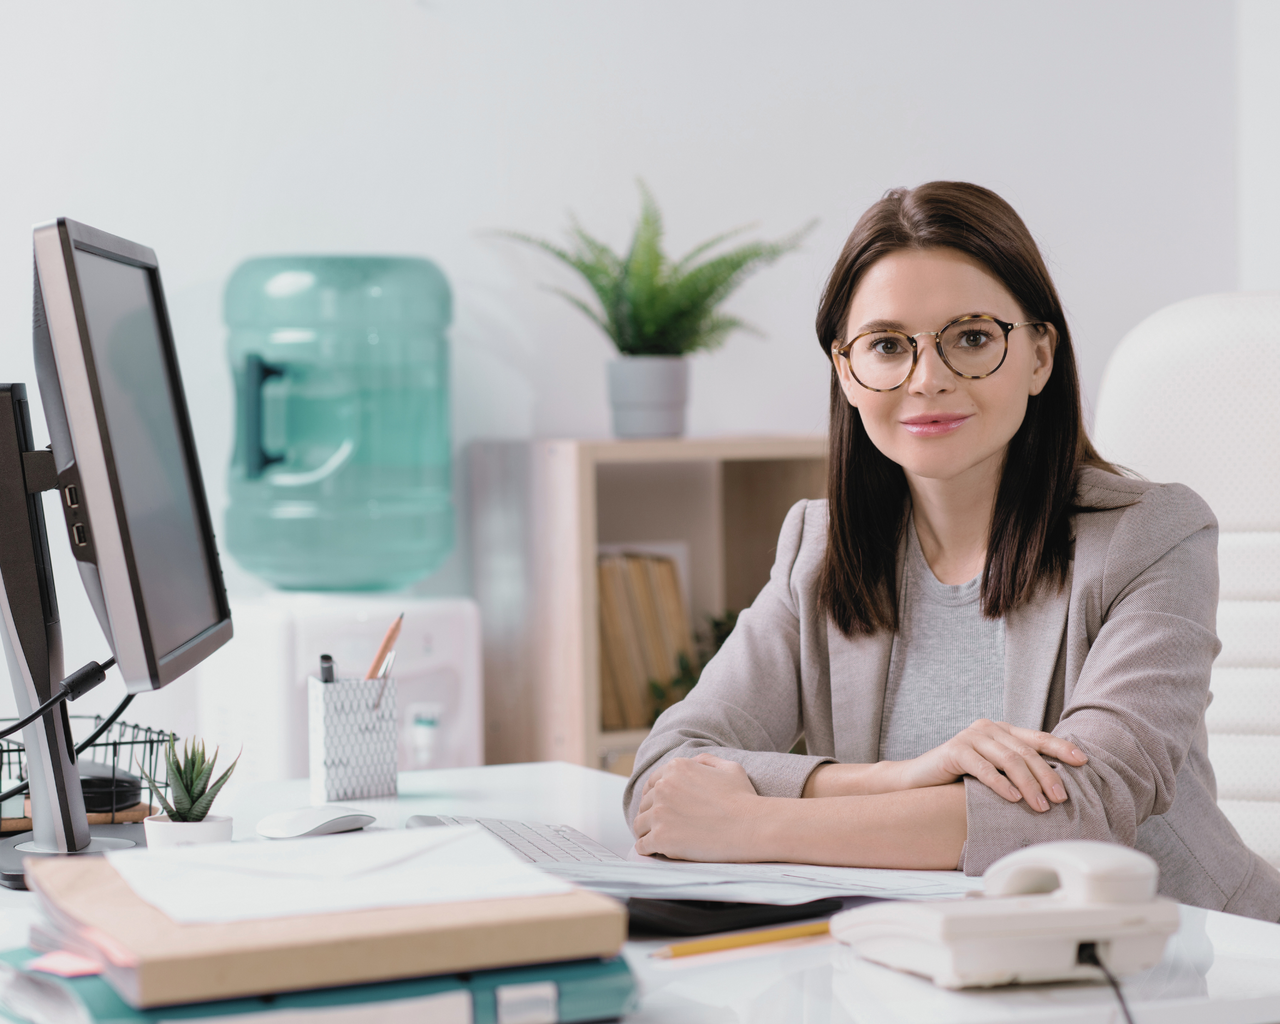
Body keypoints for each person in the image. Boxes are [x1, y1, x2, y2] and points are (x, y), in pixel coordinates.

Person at [624, 181, 1280, 921]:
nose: (928, 379)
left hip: (1182, 962)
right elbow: (668, 771)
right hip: (927, 960)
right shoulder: (820, 549)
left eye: (971, 337)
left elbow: (1082, 815)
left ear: (1038, 357)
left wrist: (754, 826)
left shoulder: (1151, 537)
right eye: (887, 346)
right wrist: (903, 779)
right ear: (846, 373)